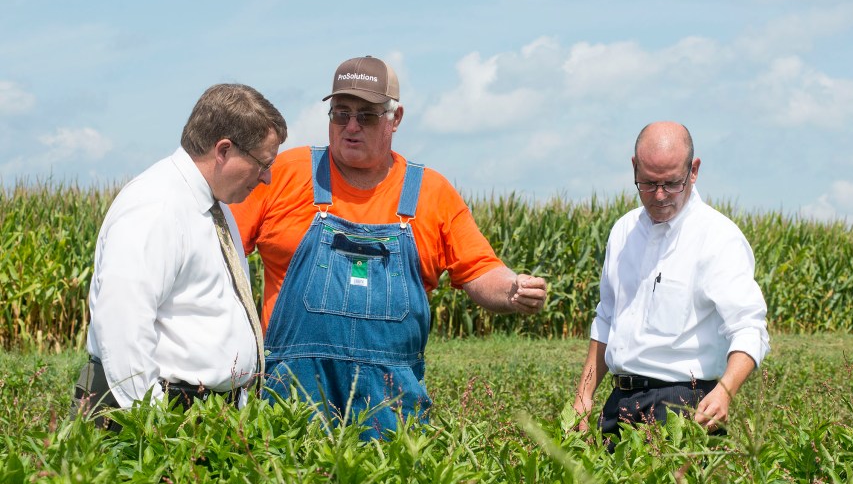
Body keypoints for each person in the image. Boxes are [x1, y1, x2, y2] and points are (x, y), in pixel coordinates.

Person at [232, 55, 547, 437]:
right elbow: (222, 258)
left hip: (392, 406)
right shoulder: (283, 173)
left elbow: (480, 270)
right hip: (291, 399)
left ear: (395, 119)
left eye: (366, 116)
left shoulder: (431, 193)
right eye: (340, 114)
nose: (350, 127)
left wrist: (513, 290)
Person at [71, 83, 288, 427]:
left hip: (194, 415)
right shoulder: (157, 206)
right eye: (263, 163)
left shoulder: (216, 207)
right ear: (224, 150)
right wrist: (156, 427)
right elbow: (122, 326)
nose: (267, 178)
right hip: (153, 416)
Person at [572, 121, 769, 442]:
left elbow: (750, 328)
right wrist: (583, 396)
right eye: (648, 183)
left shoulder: (718, 238)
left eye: (672, 183)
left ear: (694, 170)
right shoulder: (623, 232)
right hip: (619, 404)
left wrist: (725, 392)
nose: (660, 195)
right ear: (634, 167)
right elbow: (606, 319)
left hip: (685, 407)